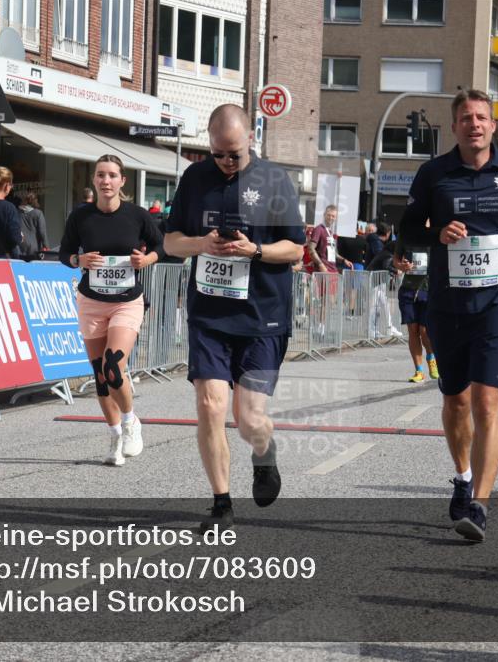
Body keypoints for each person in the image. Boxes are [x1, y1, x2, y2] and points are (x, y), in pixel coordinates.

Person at [399, 89, 498, 542]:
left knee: (487, 400)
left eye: (481, 117)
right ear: (455, 126)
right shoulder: (434, 174)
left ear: (493, 126)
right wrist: (436, 233)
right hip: (448, 302)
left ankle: (480, 505)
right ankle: (463, 476)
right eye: (466, 118)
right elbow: (406, 229)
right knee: (456, 400)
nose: (474, 124)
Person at [163, 104, 305, 532]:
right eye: (218, 154)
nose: (226, 162)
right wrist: (200, 244)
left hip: (262, 315)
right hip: (209, 315)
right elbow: (170, 242)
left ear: (251, 140)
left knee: (249, 419)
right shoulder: (195, 178)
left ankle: (264, 451)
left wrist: (254, 250)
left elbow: (296, 249)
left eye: (235, 154)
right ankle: (221, 502)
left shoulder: (274, 180)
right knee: (210, 406)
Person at [61, 154, 163, 466]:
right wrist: (79, 260)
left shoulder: (137, 215)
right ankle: (115, 436)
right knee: (100, 376)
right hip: (91, 302)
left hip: (126, 301)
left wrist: (146, 260)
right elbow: (64, 253)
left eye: (112, 175)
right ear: (94, 179)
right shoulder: (81, 216)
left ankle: (131, 422)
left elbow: (161, 246)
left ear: (122, 181)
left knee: (112, 366)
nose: (106, 181)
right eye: (101, 175)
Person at [394, 235, 438, 381]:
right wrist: (402, 266)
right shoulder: (405, 235)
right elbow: (396, 260)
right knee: (413, 330)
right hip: (408, 289)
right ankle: (419, 371)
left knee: (424, 331)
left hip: (428, 290)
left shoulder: (434, 235)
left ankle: (431, 358)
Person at [308, 205, 351, 272]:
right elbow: (311, 249)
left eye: (333, 216)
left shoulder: (330, 232)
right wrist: (320, 264)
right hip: (323, 271)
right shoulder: (319, 229)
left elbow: (333, 253)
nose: (331, 218)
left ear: (335, 218)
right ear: (324, 215)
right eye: (329, 215)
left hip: (333, 269)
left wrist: (344, 260)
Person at [18, 192, 49, 261]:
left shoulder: (18, 213)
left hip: (21, 246)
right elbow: (42, 232)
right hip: (34, 248)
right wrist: (46, 246)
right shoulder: (38, 213)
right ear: (35, 201)